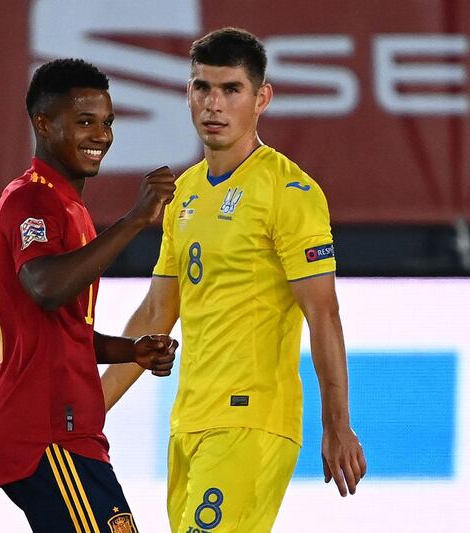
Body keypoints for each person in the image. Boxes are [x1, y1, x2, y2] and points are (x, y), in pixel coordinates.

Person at [100, 28, 367, 532]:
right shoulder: (184, 193)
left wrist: (336, 421)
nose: (214, 104)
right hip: (189, 422)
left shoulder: (289, 191)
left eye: (231, 89)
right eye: (202, 88)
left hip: (252, 420)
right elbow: (158, 313)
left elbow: (323, 312)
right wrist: (92, 409)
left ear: (261, 98)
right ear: (187, 94)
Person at [0, 58, 178, 533]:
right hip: (45, 430)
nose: (101, 135)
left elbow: (63, 330)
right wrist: (135, 220)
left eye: (107, 122)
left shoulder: (70, 207)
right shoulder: (32, 199)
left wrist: (129, 351)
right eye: (85, 121)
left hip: (65, 429)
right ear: (43, 123)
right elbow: (45, 288)